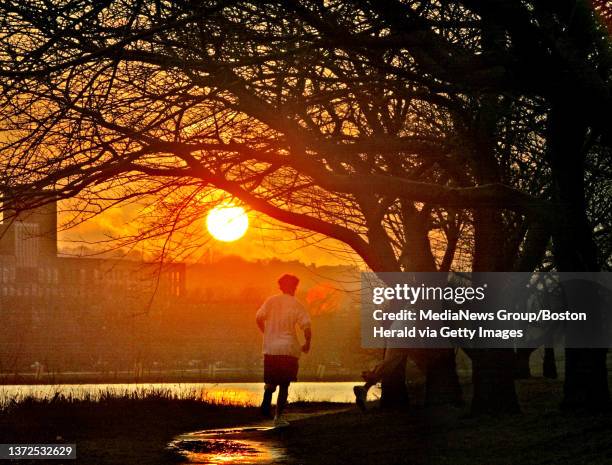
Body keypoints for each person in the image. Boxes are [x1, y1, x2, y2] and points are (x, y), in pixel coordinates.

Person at [256, 274, 312, 427]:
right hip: (288, 349)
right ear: (295, 287)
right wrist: (307, 343)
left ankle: (268, 395)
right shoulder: (296, 304)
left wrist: (266, 333)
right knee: (284, 385)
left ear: (280, 286)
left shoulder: (270, 301)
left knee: (272, 380)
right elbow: (306, 327)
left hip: (271, 348)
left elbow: (258, 318)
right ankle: (278, 418)